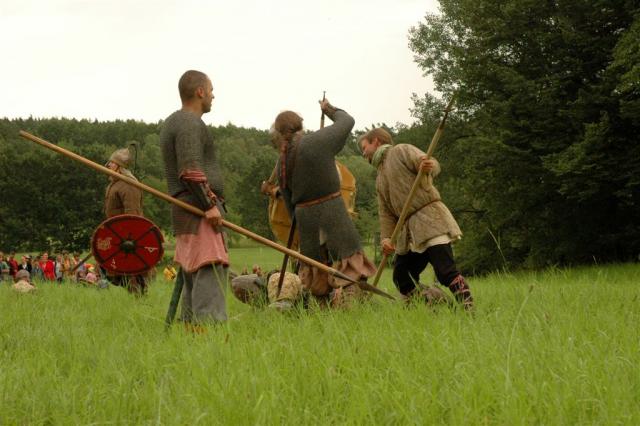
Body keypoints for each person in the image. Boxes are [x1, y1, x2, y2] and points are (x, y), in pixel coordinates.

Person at [268, 99, 375, 305]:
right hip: (332, 210)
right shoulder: (316, 141)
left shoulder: (282, 161)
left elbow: (290, 204)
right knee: (350, 267)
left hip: (305, 218)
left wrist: (301, 221)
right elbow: (347, 121)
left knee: (316, 272)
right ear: (300, 125)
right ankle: (350, 307)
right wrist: (329, 110)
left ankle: (321, 311)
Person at [358, 128, 474, 310]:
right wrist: (386, 238)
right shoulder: (379, 178)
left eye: (364, 148)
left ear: (376, 141)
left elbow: (431, 163)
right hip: (409, 233)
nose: (363, 153)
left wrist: (427, 166)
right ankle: (435, 303)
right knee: (402, 277)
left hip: (430, 220)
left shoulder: (400, 150)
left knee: (445, 272)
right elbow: (385, 212)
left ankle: (468, 309)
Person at [160, 69, 228, 325]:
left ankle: (192, 339)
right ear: (200, 92)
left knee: (194, 276)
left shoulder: (174, 122)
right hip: (199, 213)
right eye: (211, 90)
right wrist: (209, 205)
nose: (213, 96)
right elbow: (190, 171)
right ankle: (209, 339)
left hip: (188, 212)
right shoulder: (189, 122)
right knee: (209, 275)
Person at [103, 147, 148, 295]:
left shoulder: (128, 185)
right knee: (113, 271)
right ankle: (135, 295)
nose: (108, 165)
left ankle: (139, 298)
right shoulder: (115, 183)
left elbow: (132, 214)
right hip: (115, 233)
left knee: (131, 270)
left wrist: (128, 236)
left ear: (119, 166)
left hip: (127, 236)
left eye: (112, 162)